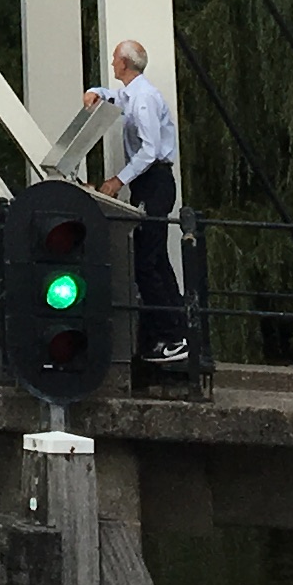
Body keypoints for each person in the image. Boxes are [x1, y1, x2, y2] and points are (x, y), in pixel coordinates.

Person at [88, 38, 195, 370]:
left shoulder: (144, 99)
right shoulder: (134, 93)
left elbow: (149, 151)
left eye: (114, 60)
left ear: (123, 63)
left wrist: (118, 180)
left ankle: (173, 337)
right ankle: (174, 333)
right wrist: (96, 91)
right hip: (151, 182)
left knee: (147, 262)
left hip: (155, 182)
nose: (112, 65)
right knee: (156, 259)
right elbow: (115, 96)